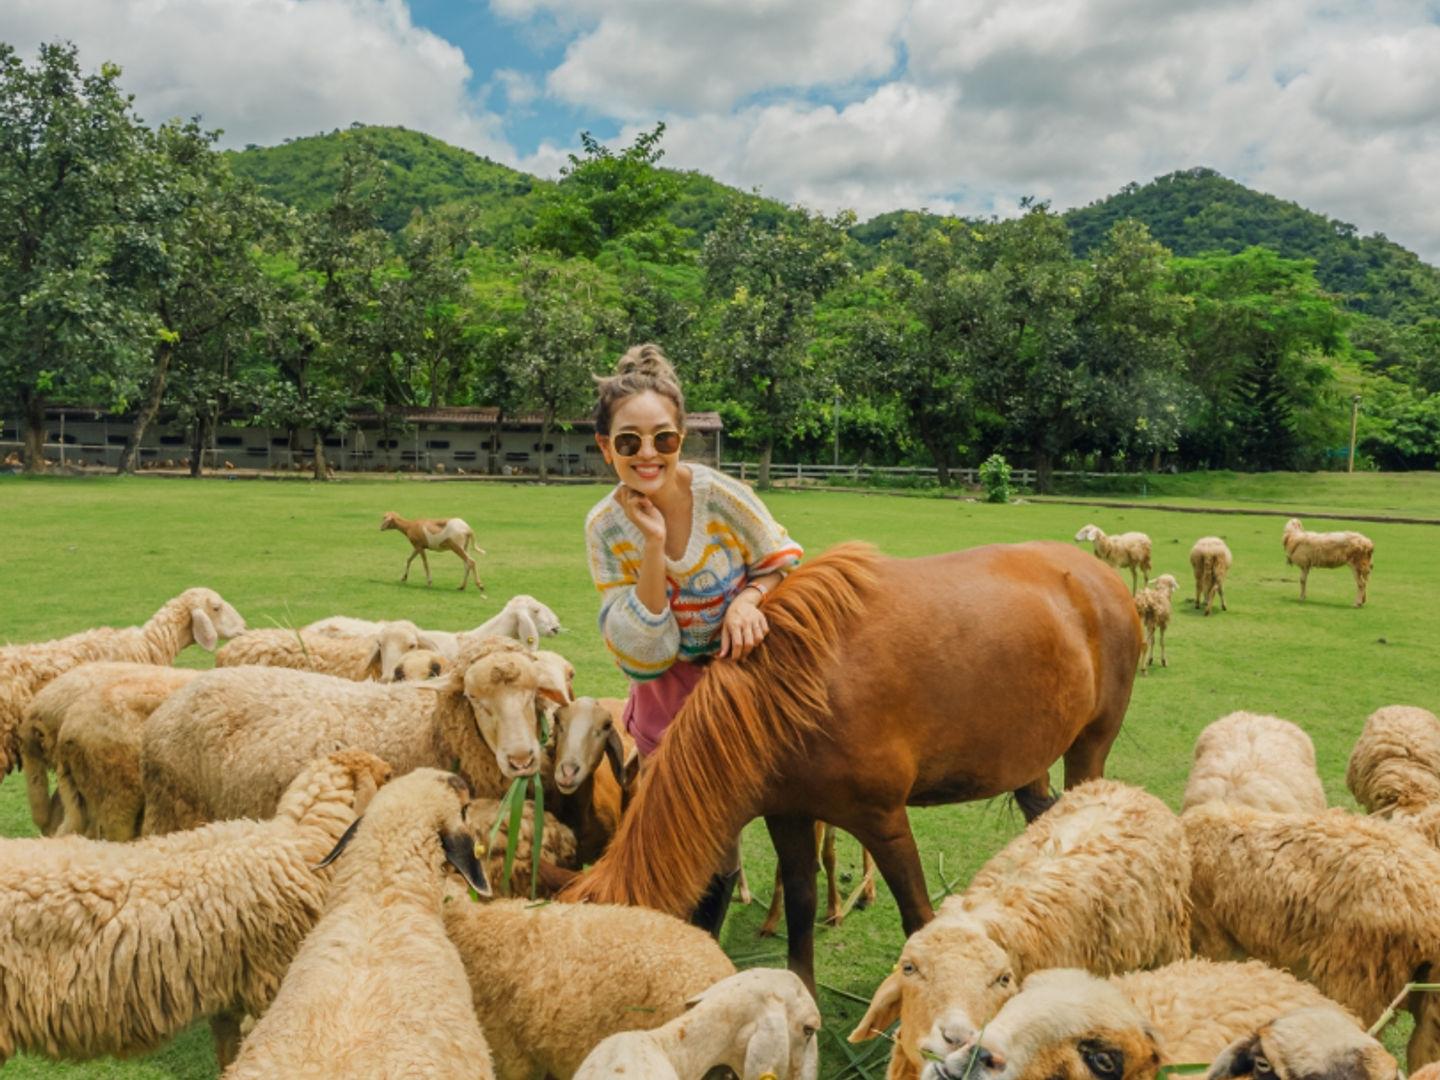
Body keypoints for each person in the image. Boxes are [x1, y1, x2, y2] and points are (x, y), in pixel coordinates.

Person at [585, 343, 802, 935]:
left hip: (738, 679)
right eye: (629, 441)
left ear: (682, 437)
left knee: (723, 817)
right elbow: (644, 649)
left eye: (664, 439)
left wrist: (750, 601)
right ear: (607, 449)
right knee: (680, 815)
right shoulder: (605, 528)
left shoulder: (721, 497)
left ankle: (702, 933)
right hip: (666, 689)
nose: (648, 454)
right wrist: (653, 544)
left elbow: (783, 560)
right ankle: (681, 931)